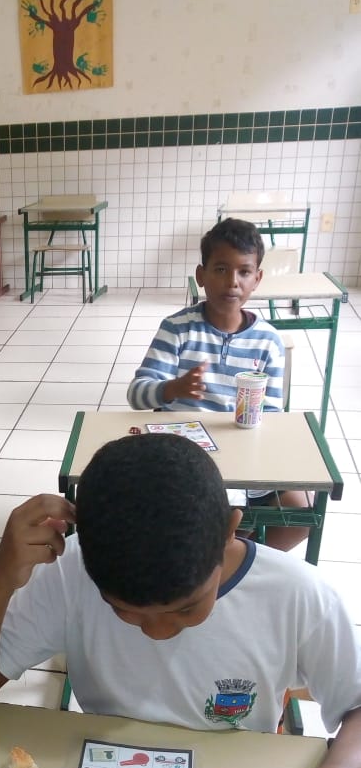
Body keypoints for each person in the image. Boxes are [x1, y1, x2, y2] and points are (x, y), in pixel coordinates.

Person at [0, 433, 361, 768]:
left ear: (229, 530)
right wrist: (0, 577)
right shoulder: (71, 574)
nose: (159, 633)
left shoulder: (299, 596)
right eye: (125, 611)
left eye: (187, 608)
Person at [126, 217, 308, 551]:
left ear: (257, 279)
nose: (232, 282)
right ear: (201, 275)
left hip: (243, 458)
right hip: (185, 459)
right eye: (221, 269)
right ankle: (217, 554)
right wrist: (171, 389)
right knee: (206, 514)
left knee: (301, 511)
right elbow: (136, 394)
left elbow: (273, 415)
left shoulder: (268, 341)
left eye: (244, 272)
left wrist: (254, 423)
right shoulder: (177, 329)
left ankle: (235, 560)